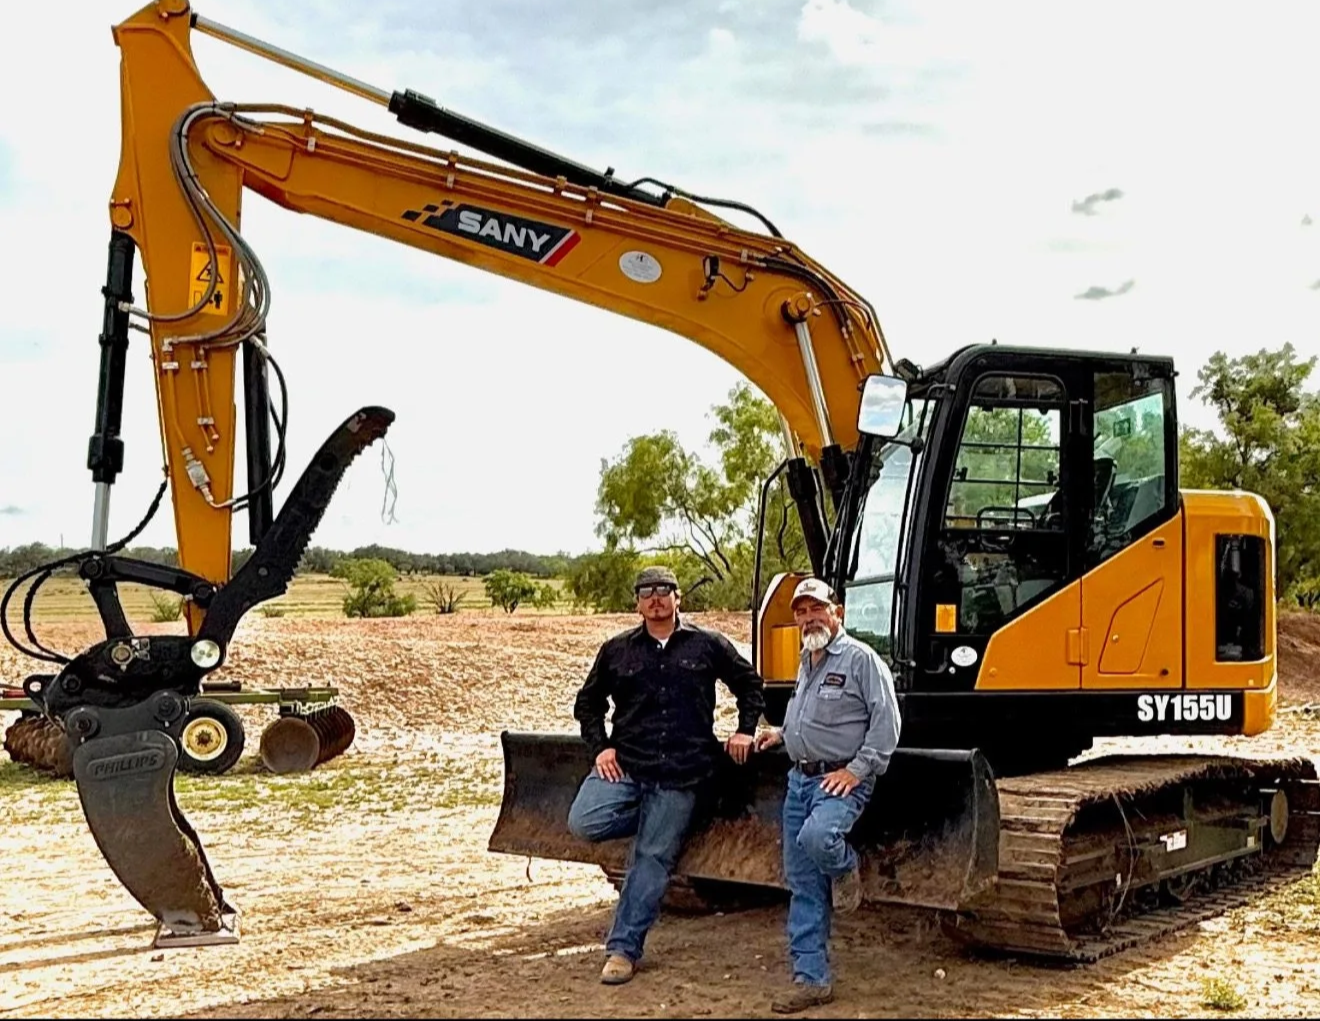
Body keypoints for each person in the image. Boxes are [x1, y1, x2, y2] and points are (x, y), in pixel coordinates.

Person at [568, 565, 766, 986]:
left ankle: (623, 949)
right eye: (647, 591)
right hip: (629, 766)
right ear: (637, 602)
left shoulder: (707, 645)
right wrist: (600, 747)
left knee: (651, 858)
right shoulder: (616, 650)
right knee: (583, 821)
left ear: (679, 598)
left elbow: (749, 684)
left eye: (664, 590)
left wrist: (746, 729)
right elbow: (588, 704)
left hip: (683, 772)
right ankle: (663, 823)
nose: (656, 598)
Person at [754, 576, 901, 1014]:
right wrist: (780, 735)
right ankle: (811, 979)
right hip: (799, 780)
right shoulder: (807, 659)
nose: (808, 617)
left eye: (816, 609)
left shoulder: (861, 660)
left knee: (819, 839)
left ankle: (846, 869)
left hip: (838, 780)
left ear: (838, 612)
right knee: (801, 883)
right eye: (800, 611)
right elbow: (812, 719)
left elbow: (886, 723)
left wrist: (857, 770)